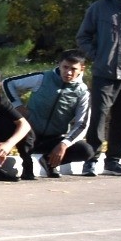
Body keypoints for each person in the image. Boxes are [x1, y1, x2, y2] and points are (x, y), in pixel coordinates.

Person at [75, 0, 121, 177]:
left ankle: (114, 160)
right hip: (104, 73)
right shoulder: (99, 8)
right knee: (98, 118)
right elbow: (83, 36)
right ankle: (91, 160)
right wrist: (97, 55)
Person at [21, 50, 94, 179]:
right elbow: (8, 83)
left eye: (73, 68)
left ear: (82, 68)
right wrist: (17, 105)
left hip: (52, 140)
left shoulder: (83, 92)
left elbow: (82, 124)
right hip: (29, 134)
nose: (68, 72)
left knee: (86, 151)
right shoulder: (43, 77)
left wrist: (64, 144)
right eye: (65, 67)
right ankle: (23, 167)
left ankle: (48, 162)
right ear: (59, 64)